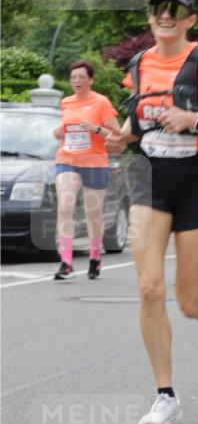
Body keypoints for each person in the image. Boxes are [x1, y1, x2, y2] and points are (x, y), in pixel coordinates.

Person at [106, 0, 198, 424]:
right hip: (151, 178)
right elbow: (140, 115)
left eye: (176, 10)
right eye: (157, 9)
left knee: (187, 300)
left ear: (190, 19)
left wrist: (195, 120)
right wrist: (123, 135)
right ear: (150, 18)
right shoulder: (139, 64)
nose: (165, 16)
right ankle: (166, 396)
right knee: (149, 288)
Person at [52, 60, 121, 280]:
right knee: (65, 207)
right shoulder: (66, 103)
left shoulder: (101, 102)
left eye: (82, 77)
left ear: (90, 80)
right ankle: (66, 262)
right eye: (74, 77)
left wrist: (96, 129)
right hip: (67, 159)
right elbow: (63, 129)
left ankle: (95, 258)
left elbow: (118, 136)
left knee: (93, 214)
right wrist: (58, 132)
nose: (77, 81)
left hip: (94, 163)